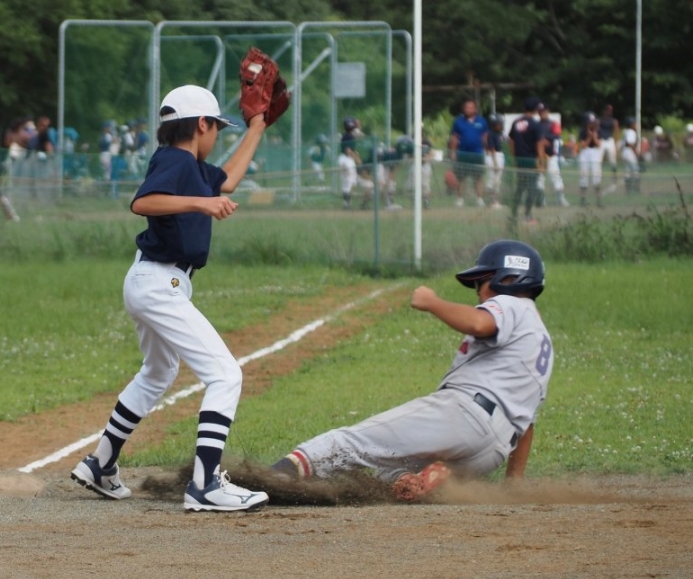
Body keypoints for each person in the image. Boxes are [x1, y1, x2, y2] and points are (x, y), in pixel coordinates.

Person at [71, 84, 270, 512]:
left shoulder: (192, 169)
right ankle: (205, 485)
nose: (217, 135)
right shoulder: (175, 160)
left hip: (152, 280)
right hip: (160, 283)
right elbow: (144, 202)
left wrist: (257, 127)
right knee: (225, 375)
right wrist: (202, 205)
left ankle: (101, 463)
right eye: (216, 128)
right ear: (202, 125)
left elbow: (228, 180)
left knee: (158, 371)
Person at [272, 240, 554, 500]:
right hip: (491, 452)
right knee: (386, 466)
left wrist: (432, 302)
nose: (478, 293)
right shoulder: (541, 342)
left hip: (465, 416)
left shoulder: (511, 303)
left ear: (507, 279)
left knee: (350, 443)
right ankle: (422, 477)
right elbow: (527, 424)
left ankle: (270, 480)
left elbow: (479, 324)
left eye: (481, 282)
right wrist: (513, 484)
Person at [508, 97, 546, 224]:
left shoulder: (516, 122)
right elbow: (539, 144)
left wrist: (514, 157)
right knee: (532, 188)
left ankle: (513, 214)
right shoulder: (535, 124)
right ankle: (528, 215)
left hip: (520, 160)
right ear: (535, 109)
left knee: (520, 187)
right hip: (531, 160)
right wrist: (541, 163)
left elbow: (511, 141)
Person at [450, 99, 488, 207]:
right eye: (466, 107)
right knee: (461, 177)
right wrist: (453, 152)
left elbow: (485, 137)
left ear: (475, 109)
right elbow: (454, 138)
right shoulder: (458, 122)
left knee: (478, 177)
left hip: (478, 153)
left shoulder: (482, 121)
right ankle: (460, 199)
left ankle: (479, 199)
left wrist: (487, 151)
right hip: (462, 153)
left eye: (470, 107)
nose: (468, 109)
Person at [537, 106, 569, 207]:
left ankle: (560, 198)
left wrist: (544, 137)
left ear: (548, 112)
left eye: (544, 111)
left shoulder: (553, 123)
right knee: (539, 179)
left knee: (555, 177)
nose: (543, 113)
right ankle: (541, 200)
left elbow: (557, 135)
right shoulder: (536, 125)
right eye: (541, 111)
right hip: (540, 156)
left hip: (551, 155)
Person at [578, 111, 603, 207]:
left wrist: (594, 136)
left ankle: (598, 200)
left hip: (595, 152)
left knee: (596, 177)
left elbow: (598, 144)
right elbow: (584, 145)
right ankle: (583, 200)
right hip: (585, 153)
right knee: (584, 176)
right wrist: (589, 137)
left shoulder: (598, 131)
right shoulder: (582, 131)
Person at [484, 113, 505, 209]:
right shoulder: (491, 134)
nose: (501, 125)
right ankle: (492, 201)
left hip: (500, 155)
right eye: (499, 124)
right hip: (494, 156)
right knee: (492, 179)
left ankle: (495, 200)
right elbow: (491, 148)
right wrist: (495, 162)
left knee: (497, 180)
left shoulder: (500, 134)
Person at [598, 104, 620, 192]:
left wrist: (616, 143)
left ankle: (614, 180)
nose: (609, 112)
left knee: (613, 162)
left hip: (610, 140)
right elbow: (597, 129)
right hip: (602, 140)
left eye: (610, 110)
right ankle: (598, 179)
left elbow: (616, 131)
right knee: (598, 161)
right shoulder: (600, 120)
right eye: (608, 110)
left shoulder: (613, 121)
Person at [620, 117, 641, 194]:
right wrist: (635, 151)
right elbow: (629, 143)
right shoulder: (631, 132)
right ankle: (636, 189)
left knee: (627, 171)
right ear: (631, 124)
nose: (636, 125)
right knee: (636, 170)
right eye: (634, 123)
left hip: (625, 152)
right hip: (629, 152)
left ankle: (628, 190)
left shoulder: (625, 131)